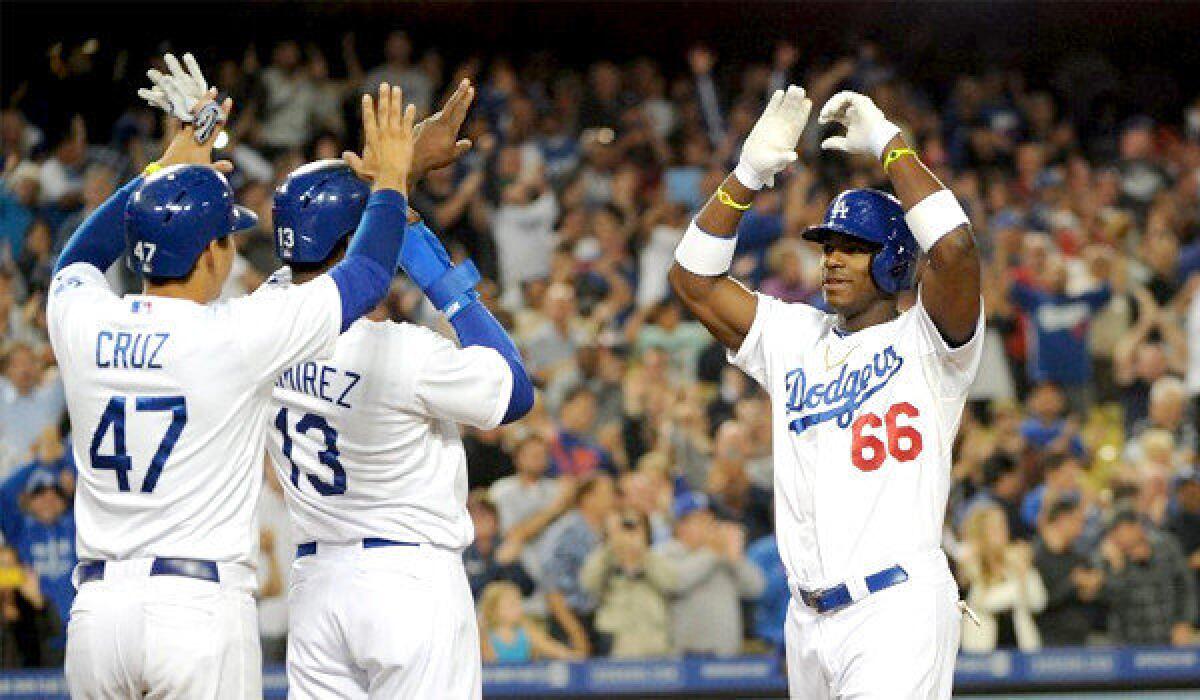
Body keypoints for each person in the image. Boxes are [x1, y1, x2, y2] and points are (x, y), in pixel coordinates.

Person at [50, 56, 414, 698]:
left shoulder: (83, 320)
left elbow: (78, 257)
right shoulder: (236, 334)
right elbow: (365, 278)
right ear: (214, 253)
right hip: (194, 610)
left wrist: (163, 168)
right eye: (227, 239)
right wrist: (391, 180)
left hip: (97, 614)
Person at [670, 87, 982, 697]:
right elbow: (693, 281)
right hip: (806, 619)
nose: (833, 260)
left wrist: (891, 144)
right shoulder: (794, 337)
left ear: (895, 261)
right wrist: (748, 174)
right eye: (829, 246)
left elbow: (955, 247)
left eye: (855, 248)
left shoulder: (933, 341)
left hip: (896, 605)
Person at [266, 80, 533, 699]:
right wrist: (424, 250)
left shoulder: (262, 320)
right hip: (409, 581)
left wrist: (392, 179)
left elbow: (316, 255)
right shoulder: (402, 352)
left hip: (316, 587)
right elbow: (515, 391)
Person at [656, 492, 764, 656]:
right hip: (685, 658)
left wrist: (737, 560)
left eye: (710, 519)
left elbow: (757, 589)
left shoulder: (725, 555)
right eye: (699, 520)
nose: (709, 525)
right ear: (680, 526)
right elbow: (676, 582)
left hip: (727, 655)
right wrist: (712, 553)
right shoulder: (666, 552)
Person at [579, 508, 676, 657]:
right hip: (616, 639)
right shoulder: (605, 558)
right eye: (623, 527)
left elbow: (670, 584)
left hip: (654, 639)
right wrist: (611, 545)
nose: (627, 533)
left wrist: (643, 554)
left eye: (633, 527)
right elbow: (588, 584)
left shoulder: (657, 558)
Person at [1099, 508, 1197, 646]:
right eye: (1111, 533)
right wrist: (1118, 568)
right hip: (1130, 644)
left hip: (1170, 637)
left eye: (1119, 531)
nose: (1114, 537)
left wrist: (1184, 622)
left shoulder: (1166, 546)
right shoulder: (1109, 558)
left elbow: (1185, 586)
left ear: (1136, 527)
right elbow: (1111, 601)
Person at [958, 504, 1047, 652]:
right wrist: (1017, 588)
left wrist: (1024, 572)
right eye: (995, 527)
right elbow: (986, 602)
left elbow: (1038, 602)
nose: (1003, 532)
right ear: (981, 532)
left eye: (1004, 525)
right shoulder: (969, 562)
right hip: (981, 650)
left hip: (1021, 648)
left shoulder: (1016, 561)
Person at [1033, 496, 1102, 646]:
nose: (1081, 528)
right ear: (1063, 520)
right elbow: (1040, 602)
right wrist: (1073, 582)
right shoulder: (1035, 557)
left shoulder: (1078, 557)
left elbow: (1093, 592)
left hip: (1080, 639)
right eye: (1078, 521)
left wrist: (1091, 590)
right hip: (1047, 641)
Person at [477, 581, 580, 663]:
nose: (519, 608)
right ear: (494, 609)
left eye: (519, 602)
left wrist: (577, 658)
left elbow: (557, 651)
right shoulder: (485, 637)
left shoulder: (528, 632)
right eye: (512, 604)